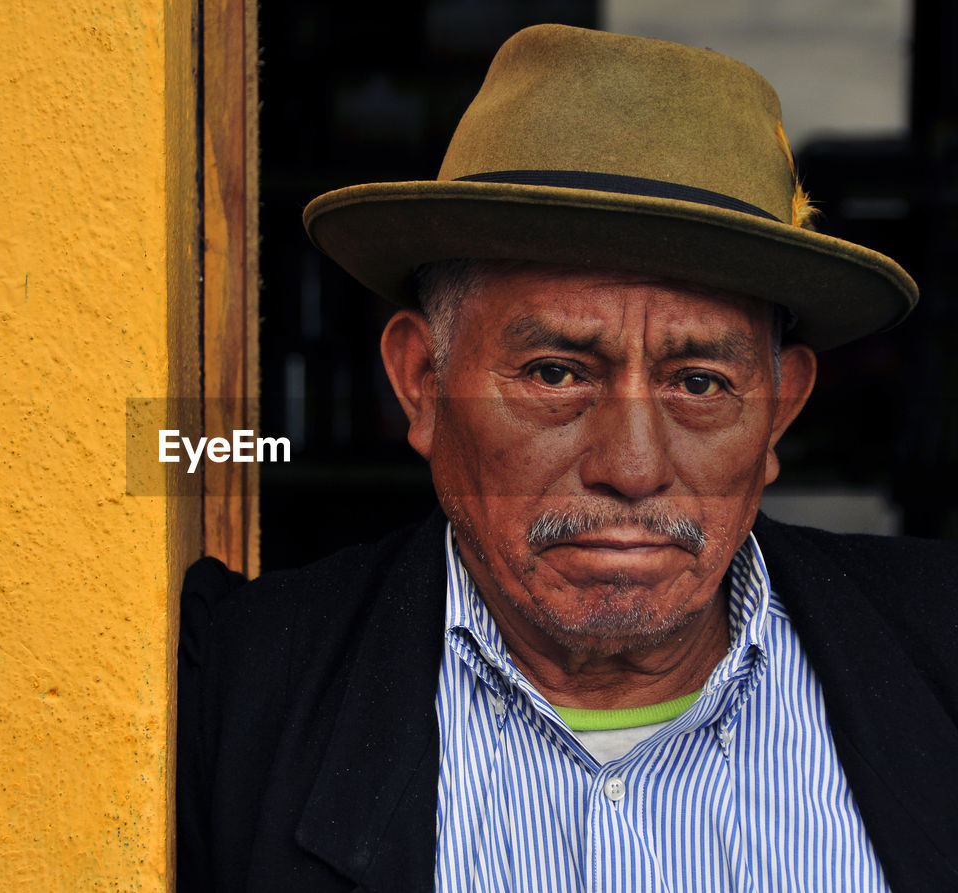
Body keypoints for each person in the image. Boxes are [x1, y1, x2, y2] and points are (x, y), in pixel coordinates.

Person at [177, 24, 958, 893]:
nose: (631, 466)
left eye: (698, 382)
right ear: (422, 382)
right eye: (556, 373)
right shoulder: (231, 695)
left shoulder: (941, 651)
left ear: (780, 409)